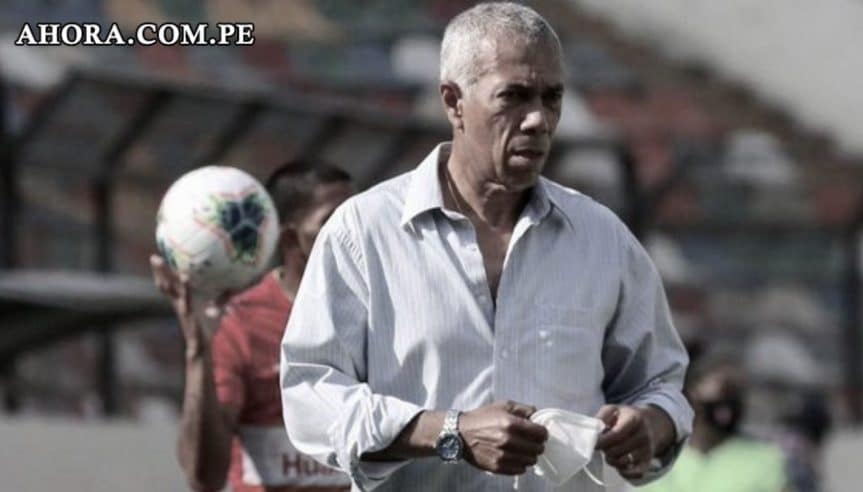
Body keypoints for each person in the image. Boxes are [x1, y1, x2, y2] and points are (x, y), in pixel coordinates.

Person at [279, 3, 693, 491]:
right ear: (454, 101)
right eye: (514, 96)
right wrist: (449, 434)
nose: (538, 120)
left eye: (552, 98)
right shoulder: (364, 231)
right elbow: (312, 397)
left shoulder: (604, 239)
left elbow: (660, 383)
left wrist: (650, 425)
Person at [151, 160, 355, 492]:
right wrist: (199, 352)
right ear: (289, 238)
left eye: (356, 217)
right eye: (332, 221)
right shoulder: (241, 325)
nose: (353, 232)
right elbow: (205, 478)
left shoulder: (377, 316)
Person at [639, 352, 787, 492]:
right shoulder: (659, 458)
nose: (729, 401)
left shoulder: (765, 459)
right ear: (693, 392)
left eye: (737, 393)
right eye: (724, 390)